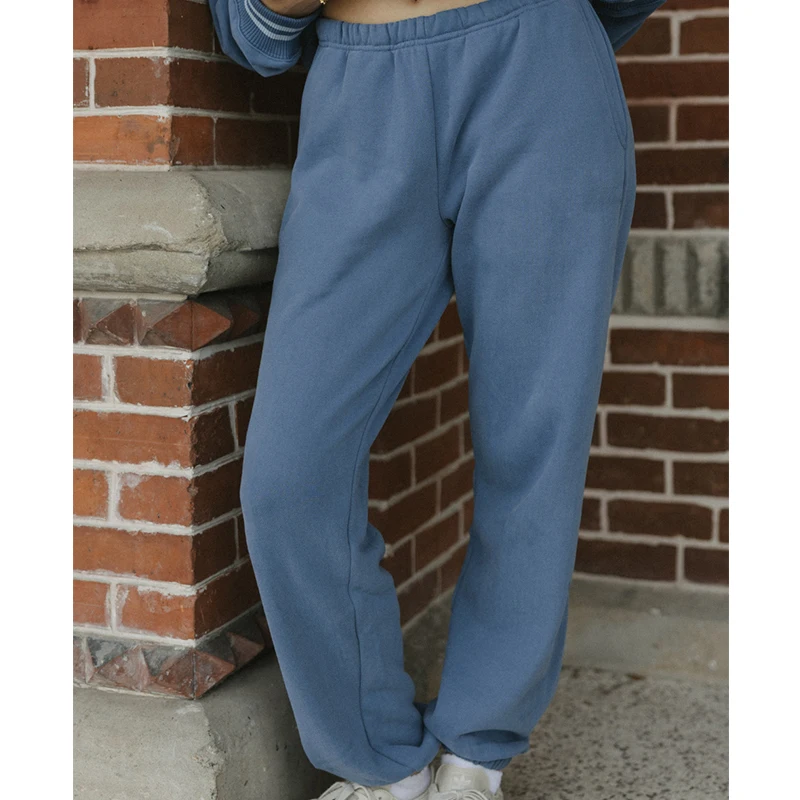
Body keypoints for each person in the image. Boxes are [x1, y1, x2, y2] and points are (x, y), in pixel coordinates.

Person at [208, 1, 665, 798]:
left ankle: (478, 752)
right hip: (359, 96)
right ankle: (382, 762)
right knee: (289, 473)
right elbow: (249, 32)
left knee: (532, 447)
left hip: (538, 71)